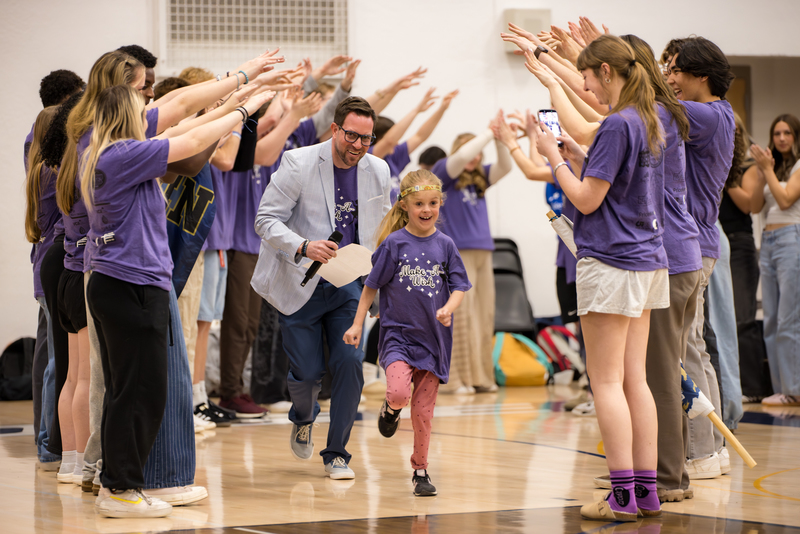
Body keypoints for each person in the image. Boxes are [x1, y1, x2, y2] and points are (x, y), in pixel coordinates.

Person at [82, 84, 272, 518]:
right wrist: (246, 110)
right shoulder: (124, 154)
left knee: (129, 390)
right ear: (126, 116)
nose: (150, 112)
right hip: (130, 283)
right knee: (140, 391)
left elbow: (186, 127)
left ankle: (119, 483)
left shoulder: (104, 151)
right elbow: (192, 139)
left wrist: (237, 98)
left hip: (122, 282)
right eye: (142, 109)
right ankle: (121, 489)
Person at [535, 35, 669, 521]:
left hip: (612, 259)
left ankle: (621, 496)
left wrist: (553, 158)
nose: (586, 87)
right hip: (648, 258)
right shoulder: (648, 119)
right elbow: (615, 186)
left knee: (607, 382)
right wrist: (577, 155)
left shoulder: (616, 123)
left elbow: (587, 200)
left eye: (588, 77)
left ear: (607, 72)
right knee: (635, 381)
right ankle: (646, 491)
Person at [252, 96, 391, 480]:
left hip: (349, 285)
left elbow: (383, 229)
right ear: (334, 129)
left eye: (367, 138)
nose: (358, 145)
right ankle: (303, 416)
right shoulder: (298, 162)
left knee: (349, 363)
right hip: (300, 282)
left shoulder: (378, 170)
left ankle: (337, 453)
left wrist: (382, 282)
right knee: (308, 372)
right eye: (351, 136)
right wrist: (303, 245)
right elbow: (265, 220)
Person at [343, 170, 470, 496]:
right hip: (398, 337)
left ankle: (421, 470)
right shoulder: (394, 244)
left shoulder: (446, 245)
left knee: (424, 413)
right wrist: (357, 323)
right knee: (399, 393)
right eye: (419, 204)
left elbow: (459, 286)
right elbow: (371, 286)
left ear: (440, 203)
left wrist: (448, 308)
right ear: (404, 205)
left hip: (433, 341)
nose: (427, 210)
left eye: (433, 203)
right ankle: (391, 409)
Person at [664, 37, 735, 478]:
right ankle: (714, 448)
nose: (670, 78)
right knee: (696, 348)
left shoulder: (706, 114)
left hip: (693, 243)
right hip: (701, 241)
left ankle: (703, 452)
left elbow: (642, 102)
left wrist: (616, 62)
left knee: (687, 350)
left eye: (676, 70)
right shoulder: (718, 113)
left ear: (701, 75)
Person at [431, 114, 512, 394]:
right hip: (458, 253)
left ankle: (481, 377)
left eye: (479, 153)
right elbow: (463, 156)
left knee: (483, 315)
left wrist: (500, 139)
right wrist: (488, 133)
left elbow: (506, 166)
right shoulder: (443, 175)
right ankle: (456, 380)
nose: (475, 157)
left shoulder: (480, 179)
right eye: (472, 150)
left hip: (483, 253)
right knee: (462, 315)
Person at [749, 114, 800, 407]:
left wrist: (767, 170)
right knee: (770, 320)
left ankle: (794, 389)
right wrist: (761, 174)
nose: (781, 138)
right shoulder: (772, 168)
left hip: (791, 239)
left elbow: (785, 200)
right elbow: (756, 206)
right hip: (768, 242)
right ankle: (782, 389)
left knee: (788, 318)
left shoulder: (799, 166)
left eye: (787, 133)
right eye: (777, 133)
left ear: (796, 136)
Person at [721, 114, 772, 403]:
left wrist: (726, 178)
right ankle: (728, 387)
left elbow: (751, 205)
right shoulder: (710, 160)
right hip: (714, 242)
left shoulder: (748, 166)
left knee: (743, 318)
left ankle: (752, 387)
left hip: (739, 244)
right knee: (719, 321)